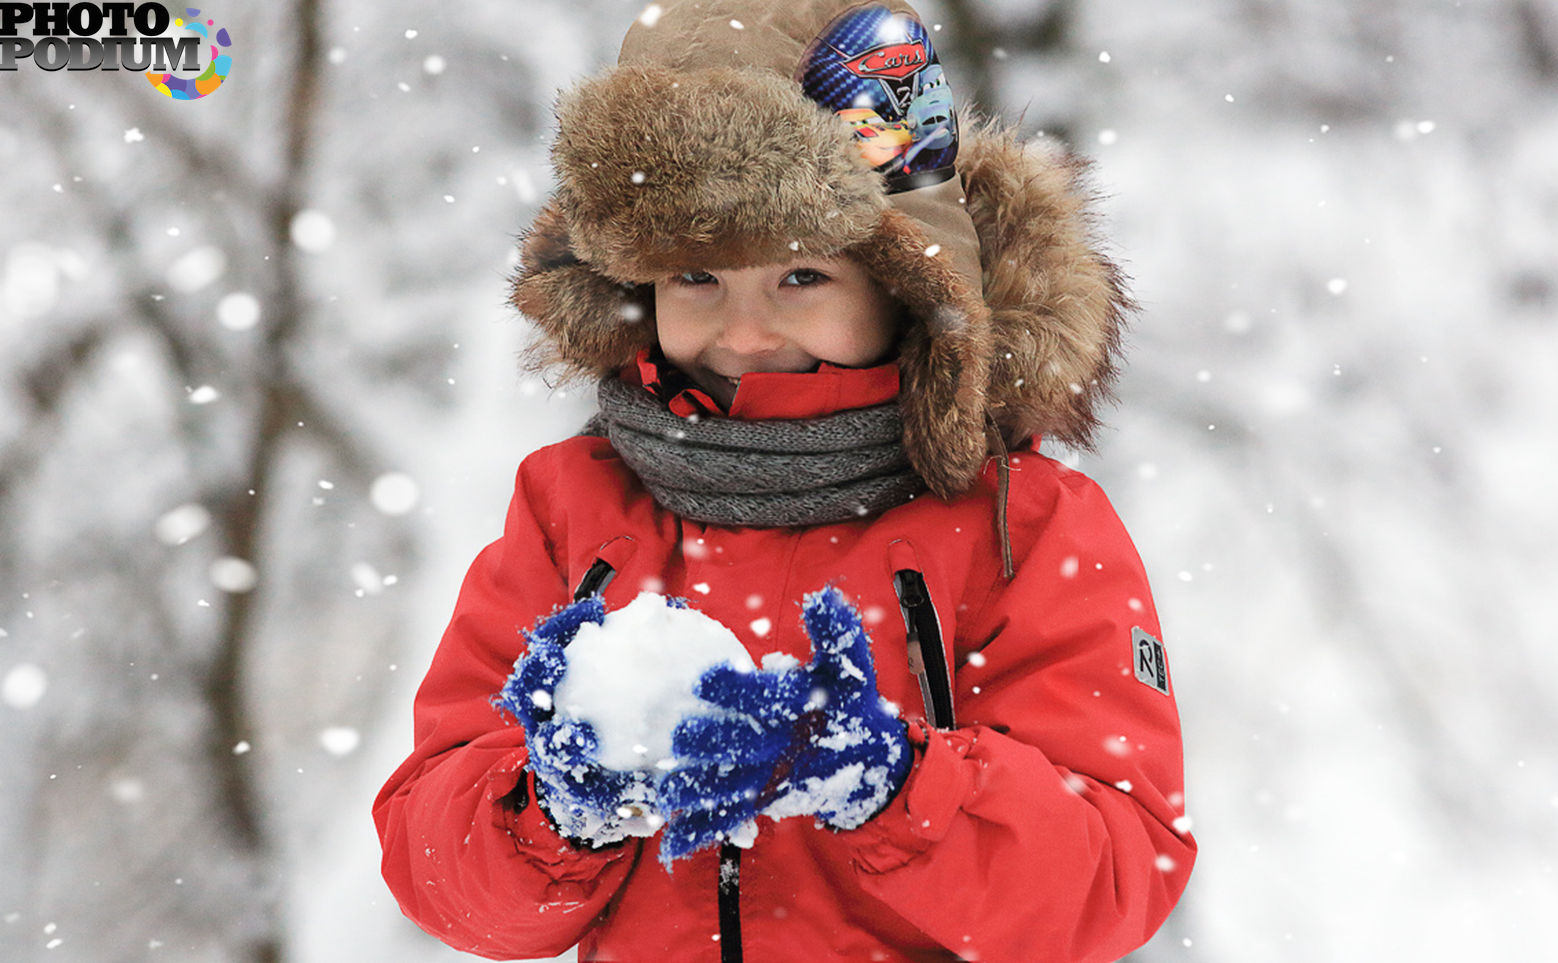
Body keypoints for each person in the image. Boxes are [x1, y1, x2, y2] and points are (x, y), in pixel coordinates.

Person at [373, 1, 1196, 960]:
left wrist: (892, 784)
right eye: (696, 279)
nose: (746, 331)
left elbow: (1109, 875)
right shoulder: (572, 508)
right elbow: (434, 866)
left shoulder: (1031, 524)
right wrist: (551, 808)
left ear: (905, 283)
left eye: (801, 277)